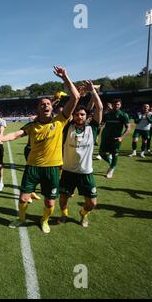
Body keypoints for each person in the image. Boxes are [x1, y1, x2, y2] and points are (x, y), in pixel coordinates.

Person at [0, 66, 80, 234]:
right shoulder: (32, 126)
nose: (45, 105)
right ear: (38, 109)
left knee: (50, 203)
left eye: (48, 103)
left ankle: (44, 220)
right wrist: (0, 139)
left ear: (51, 107)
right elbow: (17, 134)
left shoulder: (60, 121)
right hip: (32, 167)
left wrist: (65, 77)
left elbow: (75, 97)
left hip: (53, 168)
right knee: (23, 198)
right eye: (42, 104)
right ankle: (21, 218)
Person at [59, 80, 103, 228]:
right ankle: (64, 214)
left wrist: (93, 91)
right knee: (63, 197)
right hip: (68, 171)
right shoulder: (68, 127)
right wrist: (77, 93)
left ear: (86, 116)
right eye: (77, 114)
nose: (79, 117)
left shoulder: (93, 128)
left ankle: (83, 213)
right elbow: (68, 109)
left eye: (82, 114)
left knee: (92, 203)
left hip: (86, 173)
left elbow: (100, 108)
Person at [99, 99, 130, 178]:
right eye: (115, 104)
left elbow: (128, 128)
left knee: (114, 154)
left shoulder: (123, 115)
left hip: (116, 138)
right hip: (105, 137)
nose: (116, 106)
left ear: (120, 105)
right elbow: (101, 124)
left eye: (118, 104)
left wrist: (121, 137)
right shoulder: (107, 114)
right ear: (112, 105)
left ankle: (111, 169)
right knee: (101, 154)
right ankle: (112, 163)